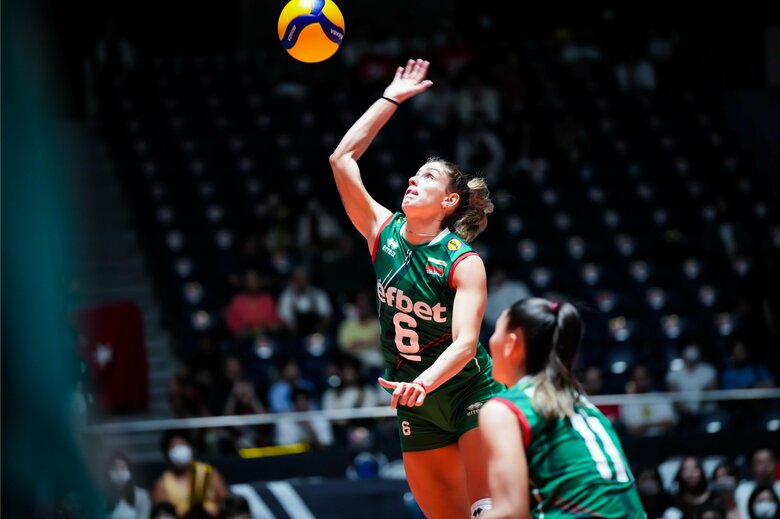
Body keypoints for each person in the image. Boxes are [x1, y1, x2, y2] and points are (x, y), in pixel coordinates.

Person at [329, 58, 503, 518]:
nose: (411, 179)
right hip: (416, 405)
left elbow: (467, 344)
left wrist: (422, 383)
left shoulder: (463, 263)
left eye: (426, 177)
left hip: (469, 393)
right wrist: (391, 98)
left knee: (485, 511)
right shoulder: (380, 232)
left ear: (448, 202)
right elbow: (341, 160)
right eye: (413, 174)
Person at [478, 298, 644, 518]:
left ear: (511, 344)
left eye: (496, 331)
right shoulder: (584, 404)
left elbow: (510, 513)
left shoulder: (502, 410)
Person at [152, 430, 230, 517]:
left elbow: (226, 501)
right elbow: (161, 512)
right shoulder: (162, 483)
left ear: (191, 448)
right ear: (167, 453)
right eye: (174, 447)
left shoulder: (207, 472)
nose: (179, 450)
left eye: (182, 444)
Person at [736, 448, 780, 519]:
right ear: (751, 466)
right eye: (759, 462)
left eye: (769, 461)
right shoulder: (742, 491)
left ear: (776, 463)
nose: (765, 465)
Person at [104, 453, 151, 519]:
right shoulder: (103, 497)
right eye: (114, 468)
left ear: (129, 471)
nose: (119, 472)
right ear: (108, 472)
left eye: (122, 468)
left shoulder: (142, 495)